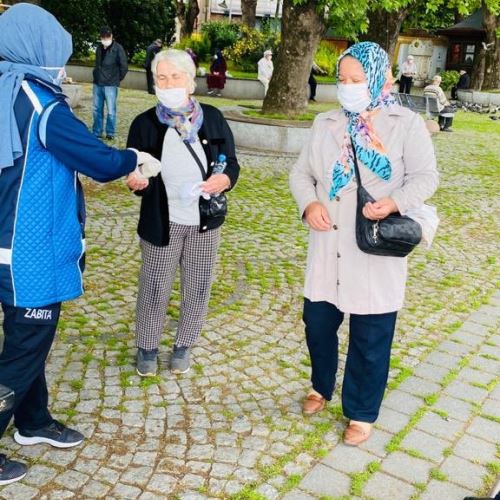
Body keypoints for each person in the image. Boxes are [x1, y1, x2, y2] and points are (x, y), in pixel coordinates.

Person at [0, 3, 161, 485]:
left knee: (27, 338)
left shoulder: (8, 88)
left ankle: (32, 421)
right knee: (27, 343)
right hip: (30, 249)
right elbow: (96, 158)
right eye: (57, 53)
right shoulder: (41, 103)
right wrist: (135, 158)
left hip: (7, 244)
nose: (61, 64)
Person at [289, 41, 438, 447]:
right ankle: (321, 385)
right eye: (342, 79)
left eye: (357, 79)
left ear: (380, 78)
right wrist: (309, 204)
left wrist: (395, 202)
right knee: (318, 326)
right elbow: (301, 174)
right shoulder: (326, 123)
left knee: (371, 338)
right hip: (327, 245)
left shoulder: (404, 123)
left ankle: (361, 411)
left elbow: (426, 177)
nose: (348, 86)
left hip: (374, 247)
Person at [126, 49, 240, 377]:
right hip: (163, 221)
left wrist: (225, 179)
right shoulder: (144, 123)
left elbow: (231, 163)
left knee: (198, 284)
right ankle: (147, 347)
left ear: (190, 82)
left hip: (204, 221)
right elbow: (136, 171)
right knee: (155, 286)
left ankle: (184, 345)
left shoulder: (214, 118)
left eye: (175, 77)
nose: (169, 83)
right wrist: (136, 181)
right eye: (161, 78)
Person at [92, 26, 128, 140]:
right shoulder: (98, 48)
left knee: (111, 110)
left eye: (108, 36)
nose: (106, 38)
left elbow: (124, 67)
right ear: (101, 37)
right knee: (96, 109)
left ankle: (110, 133)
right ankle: (97, 131)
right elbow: (97, 64)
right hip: (97, 83)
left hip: (111, 85)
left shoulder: (118, 48)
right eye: (103, 37)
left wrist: (116, 79)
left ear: (111, 36)